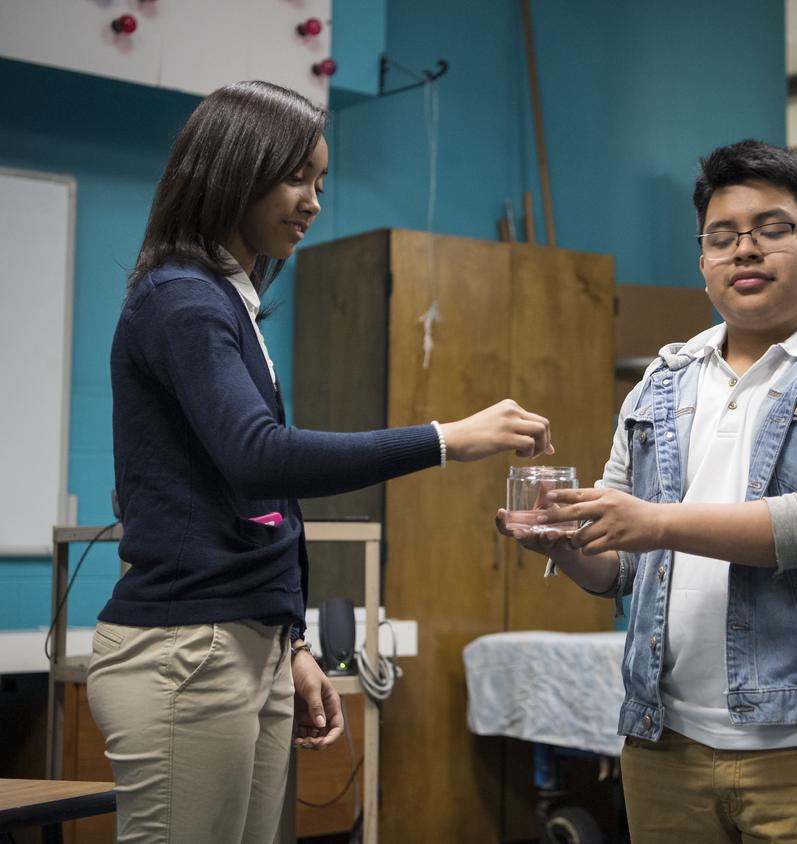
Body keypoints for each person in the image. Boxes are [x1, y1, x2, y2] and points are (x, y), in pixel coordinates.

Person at [87, 80, 554, 844]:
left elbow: (249, 504)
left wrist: (289, 640)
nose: (313, 201)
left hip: (243, 642)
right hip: (188, 653)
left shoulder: (225, 302)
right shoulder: (183, 300)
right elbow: (259, 459)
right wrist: (445, 437)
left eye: (321, 183)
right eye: (296, 177)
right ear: (233, 170)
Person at [498, 140, 797, 843]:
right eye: (723, 238)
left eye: (772, 230)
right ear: (703, 261)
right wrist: (573, 543)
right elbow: (628, 566)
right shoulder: (661, 385)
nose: (746, 251)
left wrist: (656, 523)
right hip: (665, 746)